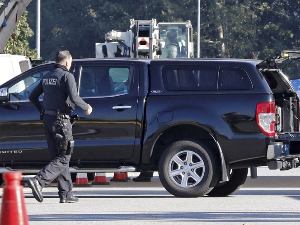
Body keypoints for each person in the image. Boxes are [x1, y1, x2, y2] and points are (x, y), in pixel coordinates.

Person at [28, 50, 93, 203]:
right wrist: (86, 107)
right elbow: (74, 96)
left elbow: (32, 97)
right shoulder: (66, 76)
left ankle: (66, 194)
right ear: (66, 62)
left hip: (48, 119)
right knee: (64, 156)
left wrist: (42, 110)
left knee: (57, 156)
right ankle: (39, 180)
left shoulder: (47, 76)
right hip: (61, 121)